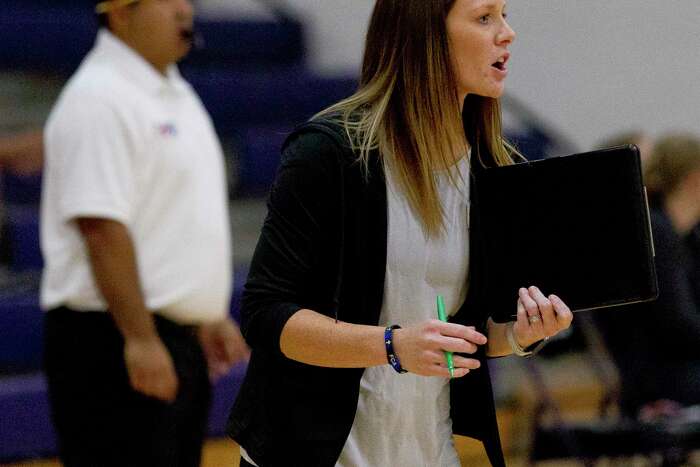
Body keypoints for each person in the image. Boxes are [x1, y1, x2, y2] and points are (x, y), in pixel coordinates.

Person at [227, 1, 573, 466]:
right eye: (485, 17)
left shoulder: (493, 167)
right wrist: (390, 346)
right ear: (426, 32)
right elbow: (265, 314)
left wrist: (519, 334)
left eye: (506, 15)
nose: (507, 33)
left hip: (428, 450)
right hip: (314, 452)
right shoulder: (328, 153)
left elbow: (462, 332)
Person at [40, 1, 248, 466]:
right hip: (114, 339)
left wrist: (205, 315)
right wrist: (140, 338)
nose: (184, 12)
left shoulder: (174, 92)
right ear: (119, 13)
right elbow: (100, 228)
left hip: (169, 337)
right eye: (167, 1)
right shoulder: (98, 96)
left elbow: (170, 219)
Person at [596, 133, 700, 419]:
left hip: (674, 368)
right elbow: (677, 326)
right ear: (694, 178)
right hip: (661, 380)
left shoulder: (684, 232)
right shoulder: (655, 228)